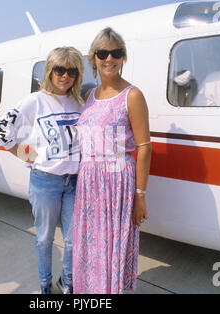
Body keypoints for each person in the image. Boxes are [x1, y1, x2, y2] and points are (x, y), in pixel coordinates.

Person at [0, 47, 84, 294]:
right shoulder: (34, 101)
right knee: (44, 238)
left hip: (74, 183)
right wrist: (31, 157)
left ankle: (68, 282)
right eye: (60, 70)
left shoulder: (79, 103)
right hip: (45, 181)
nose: (65, 76)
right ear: (50, 71)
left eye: (71, 71)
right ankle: (45, 286)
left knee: (74, 241)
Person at [73, 28, 152, 294]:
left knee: (113, 244)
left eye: (116, 53)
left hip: (117, 183)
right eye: (102, 53)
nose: (109, 59)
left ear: (123, 57)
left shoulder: (132, 96)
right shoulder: (89, 96)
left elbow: (144, 148)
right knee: (91, 244)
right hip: (89, 183)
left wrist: (140, 196)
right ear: (93, 58)